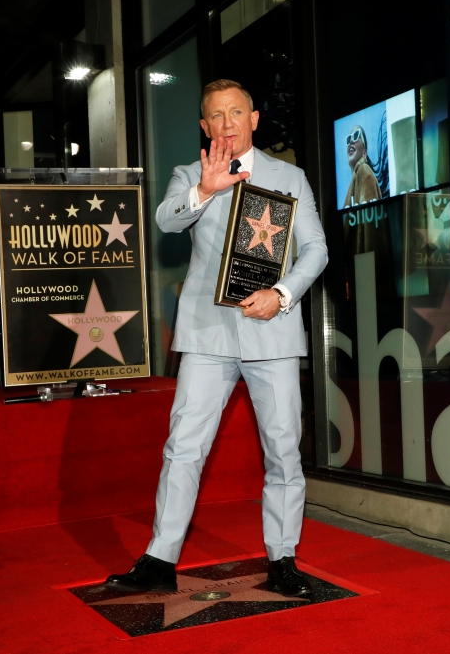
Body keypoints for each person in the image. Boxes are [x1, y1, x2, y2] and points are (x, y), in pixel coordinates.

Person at [105, 79, 328, 597]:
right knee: (183, 446)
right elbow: (164, 221)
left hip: (271, 330)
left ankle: (283, 559)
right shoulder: (191, 174)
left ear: (253, 119)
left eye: (236, 113)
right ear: (205, 127)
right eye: (216, 116)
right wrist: (205, 190)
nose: (227, 123)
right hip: (207, 335)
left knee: (283, 451)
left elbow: (315, 249)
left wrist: (284, 293)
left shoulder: (289, 176)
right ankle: (160, 559)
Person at [343, 125, 382, 207]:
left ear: (364, 153)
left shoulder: (363, 170)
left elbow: (368, 217)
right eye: (349, 138)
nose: (351, 141)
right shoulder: (357, 177)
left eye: (356, 135)